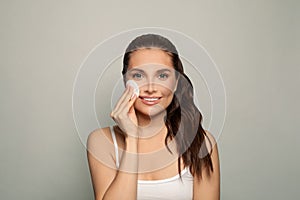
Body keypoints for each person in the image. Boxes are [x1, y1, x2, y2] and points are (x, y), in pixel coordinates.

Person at [87, 33, 220, 200]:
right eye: (138, 75)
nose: (150, 87)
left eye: (162, 76)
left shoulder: (202, 142)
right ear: (125, 80)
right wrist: (132, 139)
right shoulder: (101, 141)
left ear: (176, 82)